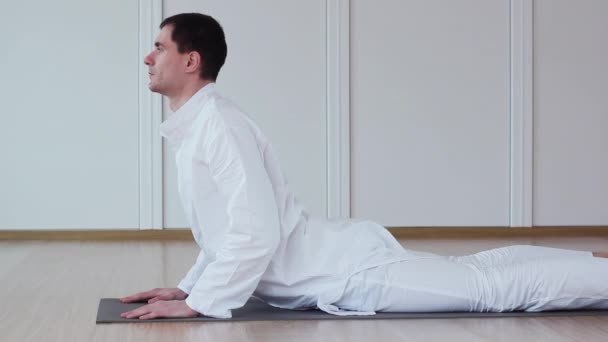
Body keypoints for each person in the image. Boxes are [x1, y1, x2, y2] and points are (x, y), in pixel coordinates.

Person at [120, 13, 608, 320]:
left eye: (160, 46)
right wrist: (191, 285)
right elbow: (226, 232)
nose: (148, 56)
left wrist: (201, 302)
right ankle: (594, 265)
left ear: (191, 61)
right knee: (481, 272)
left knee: (490, 289)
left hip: (349, 276)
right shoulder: (201, 125)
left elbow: (257, 231)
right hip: (339, 265)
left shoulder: (219, 126)